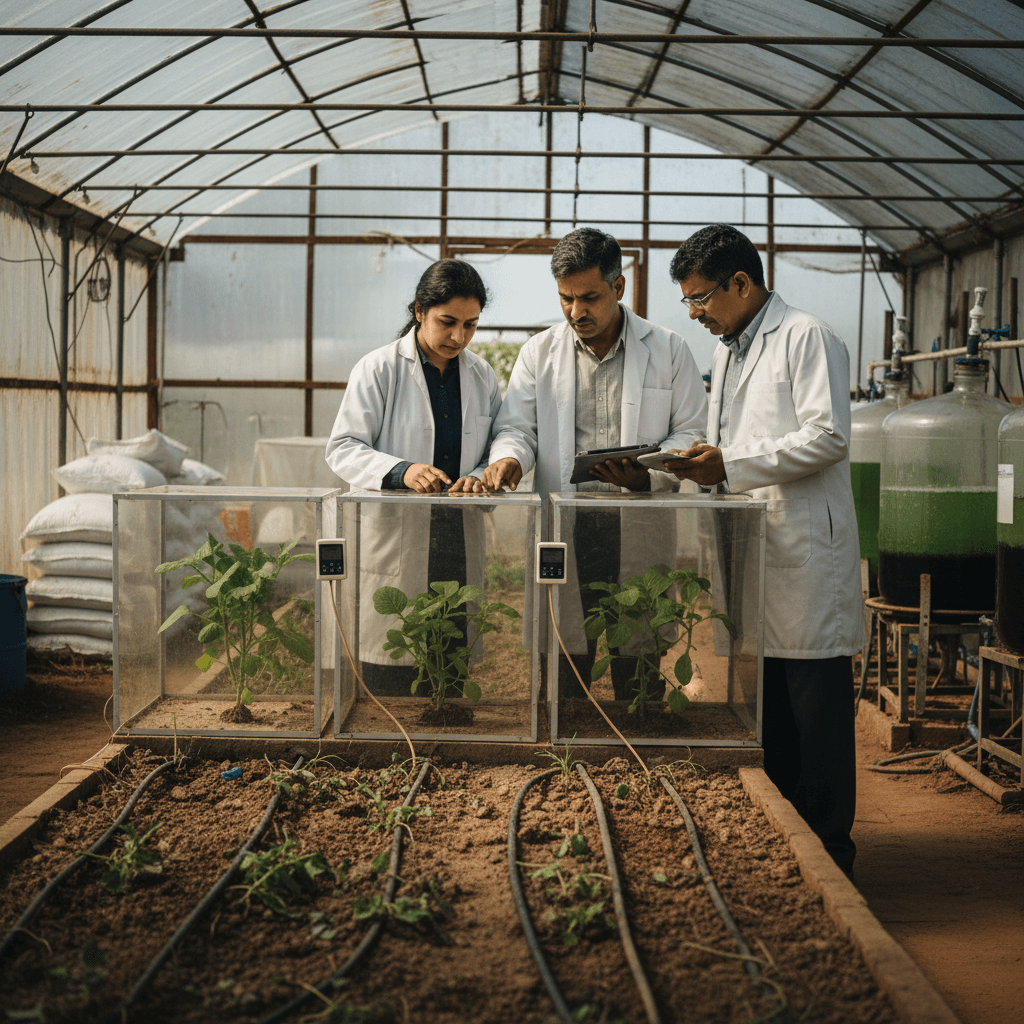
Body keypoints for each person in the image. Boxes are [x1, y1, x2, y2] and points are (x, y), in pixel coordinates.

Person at [665, 223, 863, 876]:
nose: (695, 313)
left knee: (818, 719)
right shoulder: (730, 349)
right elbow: (736, 441)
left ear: (741, 283)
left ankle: (833, 853)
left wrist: (729, 462)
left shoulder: (806, 336)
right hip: (757, 549)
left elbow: (829, 435)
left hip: (804, 558)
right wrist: (705, 462)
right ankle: (788, 846)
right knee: (770, 713)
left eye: (701, 299)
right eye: (688, 301)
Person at [481, 226, 707, 701]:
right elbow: (518, 428)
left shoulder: (668, 350)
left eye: (589, 297)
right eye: (565, 298)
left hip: (638, 520)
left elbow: (690, 431)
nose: (575, 312)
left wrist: (650, 473)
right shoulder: (538, 353)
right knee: (564, 670)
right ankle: (569, 766)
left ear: (618, 287)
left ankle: (640, 757)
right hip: (567, 526)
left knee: (638, 667)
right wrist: (509, 460)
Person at [325, 259, 502, 695]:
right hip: (396, 536)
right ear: (420, 310)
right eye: (448, 322)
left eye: (471, 325)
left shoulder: (481, 375)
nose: (459, 337)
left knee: (450, 667)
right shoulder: (379, 368)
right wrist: (402, 471)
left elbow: (498, 441)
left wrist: (480, 474)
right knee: (392, 669)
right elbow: (343, 447)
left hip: (456, 535)